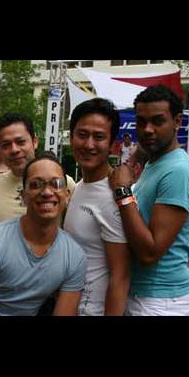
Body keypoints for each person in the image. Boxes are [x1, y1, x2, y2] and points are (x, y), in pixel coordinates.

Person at [0, 153, 86, 316]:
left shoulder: (74, 256)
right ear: (23, 196)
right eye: (36, 184)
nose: (47, 192)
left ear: (67, 195)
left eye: (56, 184)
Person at [110, 84, 189, 316]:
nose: (148, 129)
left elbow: (149, 252)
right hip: (146, 295)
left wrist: (122, 191)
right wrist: (134, 159)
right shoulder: (157, 161)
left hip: (160, 300)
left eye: (158, 121)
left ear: (177, 121)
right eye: (141, 122)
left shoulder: (178, 172)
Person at [64, 98, 131, 315]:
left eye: (99, 137)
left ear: (112, 144)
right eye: (82, 135)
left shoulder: (112, 197)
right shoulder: (79, 186)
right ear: (71, 137)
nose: (89, 144)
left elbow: (120, 276)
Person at [0, 113, 76, 226]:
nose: (14, 150)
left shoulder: (63, 183)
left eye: (20, 142)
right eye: (6, 145)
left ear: (34, 142)